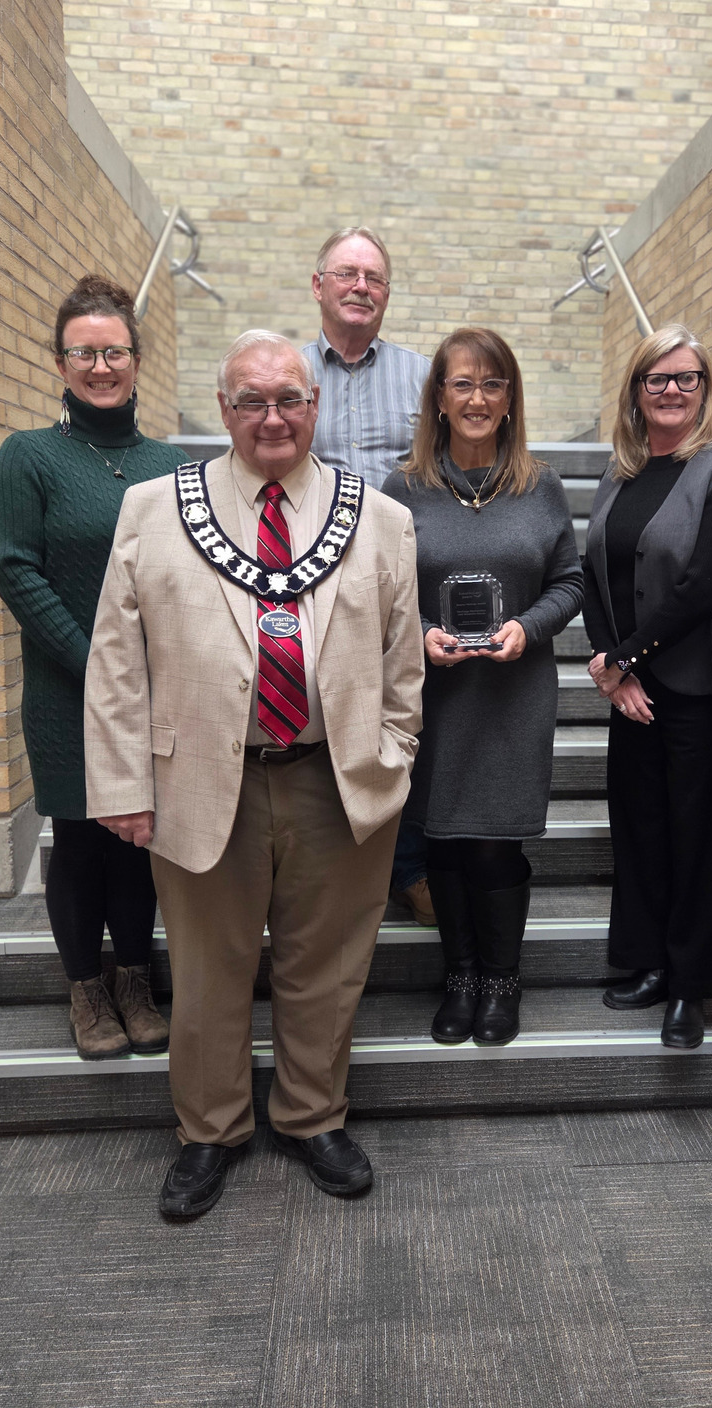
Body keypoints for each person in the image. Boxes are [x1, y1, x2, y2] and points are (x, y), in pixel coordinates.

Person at [84, 329, 423, 1219]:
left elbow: (403, 660)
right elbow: (116, 661)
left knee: (329, 967)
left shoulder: (380, 517)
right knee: (207, 971)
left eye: (289, 400)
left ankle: (313, 1116)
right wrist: (122, 787)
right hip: (202, 777)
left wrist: (394, 752)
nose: (272, 418)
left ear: (316, 405)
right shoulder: (155, 509)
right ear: (224, 408)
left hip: (337, 779)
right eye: (251, 401)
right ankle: (211, 1129)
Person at [0, 275, 186, 1060]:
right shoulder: (28, 457)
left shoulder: (171, 464)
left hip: (152, 689)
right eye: (84, 353)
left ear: (137, 358)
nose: (101, 368)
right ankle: (86, 991)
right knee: (77, 837)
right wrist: (100, 666)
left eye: (114, 352)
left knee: (135, 837)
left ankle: (134, 980)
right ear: (60, 363)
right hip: (65, 689)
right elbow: (17, 572)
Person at [382, 327, 582, 1046]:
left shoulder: (540, 485)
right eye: (461, 383)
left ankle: (501, 980)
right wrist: (418, 635)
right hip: (435, 695)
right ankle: (461, 976)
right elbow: (384, 593)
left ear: (510, 399)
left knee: (496, 846)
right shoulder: (403, 489)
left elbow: (570, 582)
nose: (476, 398)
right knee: (441, 842)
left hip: (512, 695)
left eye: (492, 384)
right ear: (438, 398)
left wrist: (529, 627)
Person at [583, 324, 712, 1050]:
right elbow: (592, 572)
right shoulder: (619, 473)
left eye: (687, 378)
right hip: (632, 691)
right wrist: (612, 663)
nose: (672, 390)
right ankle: (650, 962)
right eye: (656, 378)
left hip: (693, 693)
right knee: (641, 832)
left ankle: (692, 984)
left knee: (699, 839)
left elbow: (705, 585)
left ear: (705, 388)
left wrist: (626, 659)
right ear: (636, 390)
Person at [303, 225, 433, 925]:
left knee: (403, 718)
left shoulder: (424, 377)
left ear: (387, 292)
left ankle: (405, 867)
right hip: (305, 583)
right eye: (347, 274)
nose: (361, 287)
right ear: (318, 285)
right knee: (321, 722)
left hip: (401, 578)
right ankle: (324, 871)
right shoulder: (287, 372)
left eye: (374, 277)